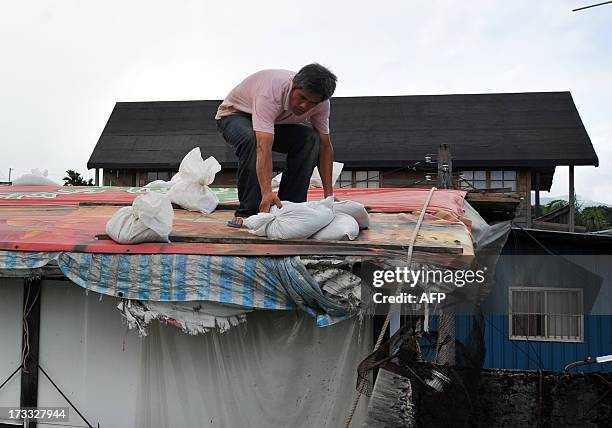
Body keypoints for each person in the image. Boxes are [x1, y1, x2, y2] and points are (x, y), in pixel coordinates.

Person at [215, 63, 337, 227]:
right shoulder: (271, 92)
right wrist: (267, 192)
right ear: (293, 84)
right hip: (235, 115)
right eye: (301, 97)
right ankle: (249, 213)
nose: (304, 106)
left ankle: (289, 207)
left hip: (274, 122)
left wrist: (329, 195)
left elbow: (325, 146)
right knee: (251, 139)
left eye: (312, 103)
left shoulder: (322, 104)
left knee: (311, 139)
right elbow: (263, 147)